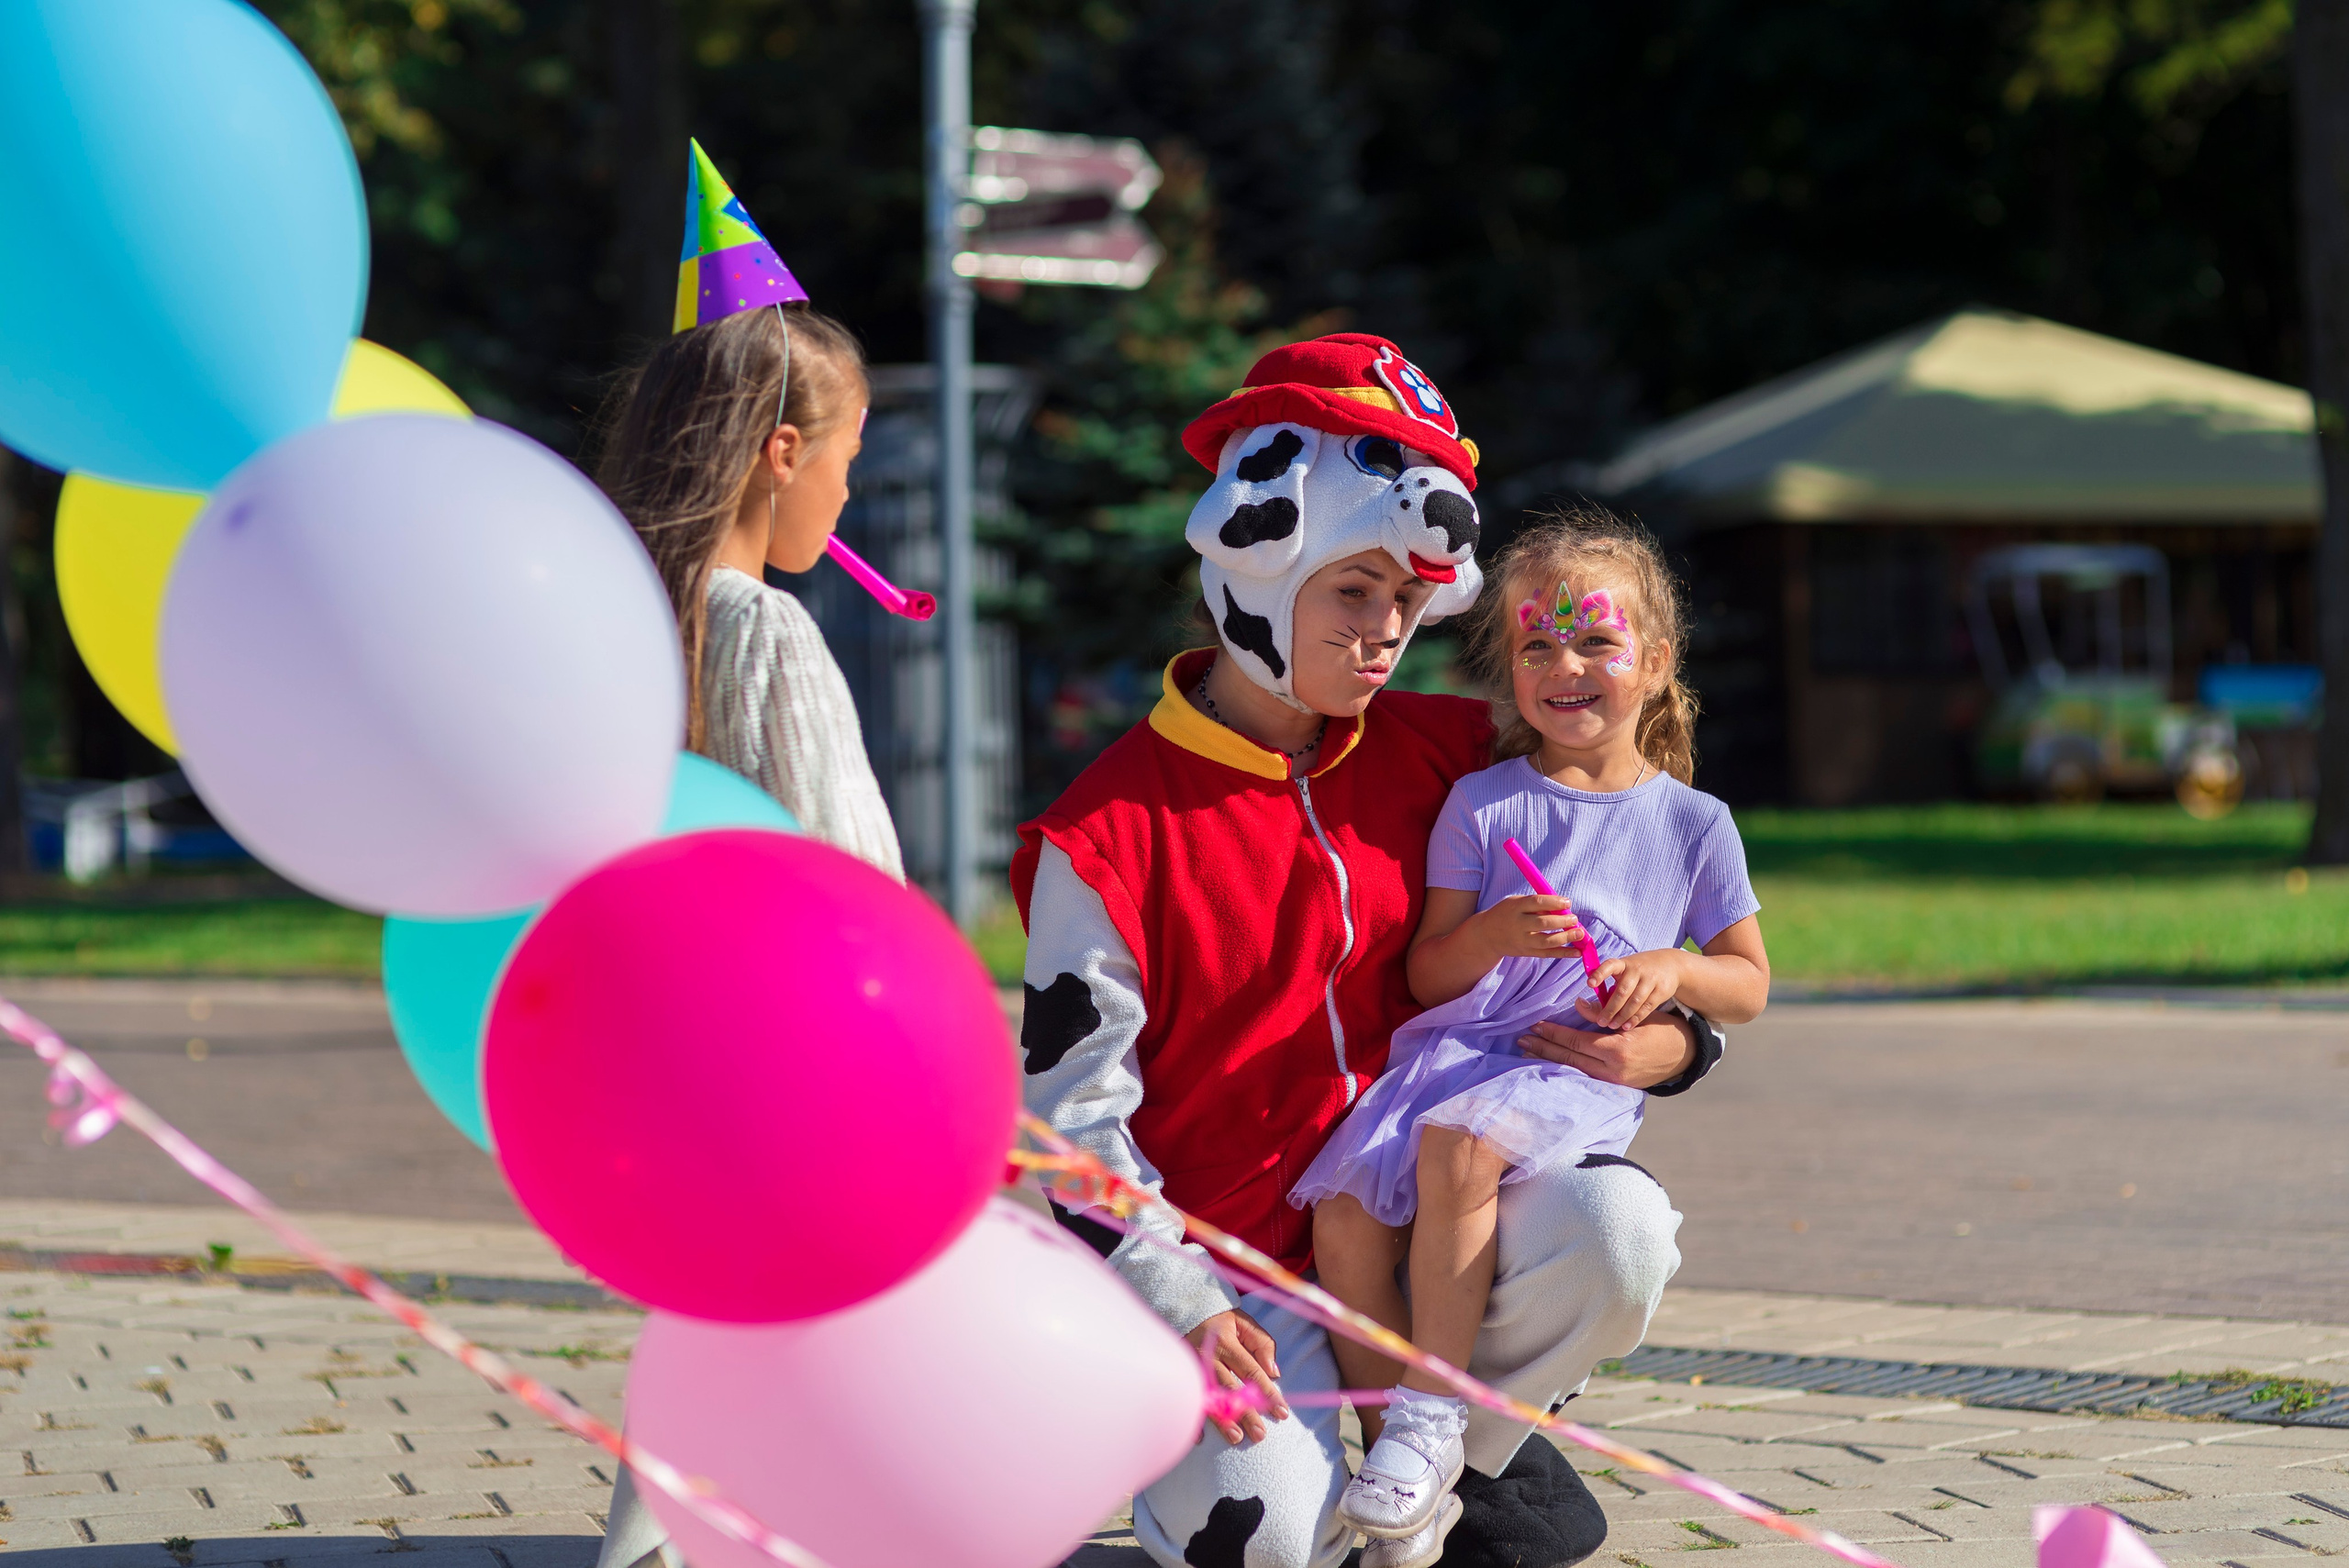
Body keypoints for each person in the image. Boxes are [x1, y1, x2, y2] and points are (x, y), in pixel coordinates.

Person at [1016, 334, 1730, 1568]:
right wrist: (1180, 1304)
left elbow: (1653, 887)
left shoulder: (1458, 756)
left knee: (1622, 1233)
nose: (1385, 630)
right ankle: (1280, 1466)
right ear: (1259, 560)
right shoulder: (1106, 833)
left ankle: (1446, 1444)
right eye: (1354, 591)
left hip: (1439, 1223)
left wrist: (1677, 1043)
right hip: (1231, 1280)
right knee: (1279, 1542)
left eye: (1408, 599)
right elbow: (1072, 1122)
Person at [1292, 511, 1770, 1555]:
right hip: (1459, 1050)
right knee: (1342, 1223)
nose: (1567, 664)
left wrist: (1674, 969)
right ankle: (1396, 1465)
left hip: (1567, 1060)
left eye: (1596, 640)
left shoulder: (1693, 822)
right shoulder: (1483, 803)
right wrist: (1490, 935)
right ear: (1506, 664)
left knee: (1459, 1145)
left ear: (1654, 660)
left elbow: (1745, 986)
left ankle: (1428, 1415)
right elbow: (1426, 973)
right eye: (1537, 644)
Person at [590, 141, 903, 1568]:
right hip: (791, 1060)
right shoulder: (765, 628)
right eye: (848, 458)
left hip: (656, 1047)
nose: (849, 496)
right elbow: (848, 871)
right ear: (782, 454)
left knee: (719, 1318)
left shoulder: (629, 624)